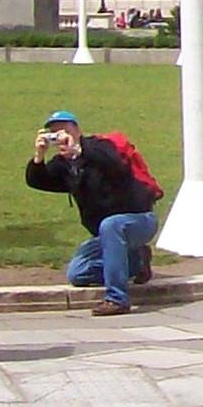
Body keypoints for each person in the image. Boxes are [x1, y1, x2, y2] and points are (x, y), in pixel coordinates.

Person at [24, 109, 160, 315]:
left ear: (77, 130)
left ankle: (117, 298)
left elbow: (115, 166)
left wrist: (80, 151)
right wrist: (39, 155)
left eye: (64, 130)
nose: (60, 136)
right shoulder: (63, 165)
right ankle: (136, 261)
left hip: (138, 219)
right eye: (54, 132)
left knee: (111, 225)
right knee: (77, 273)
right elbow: (38, 181)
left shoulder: (100, 147)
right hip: (105, 233)